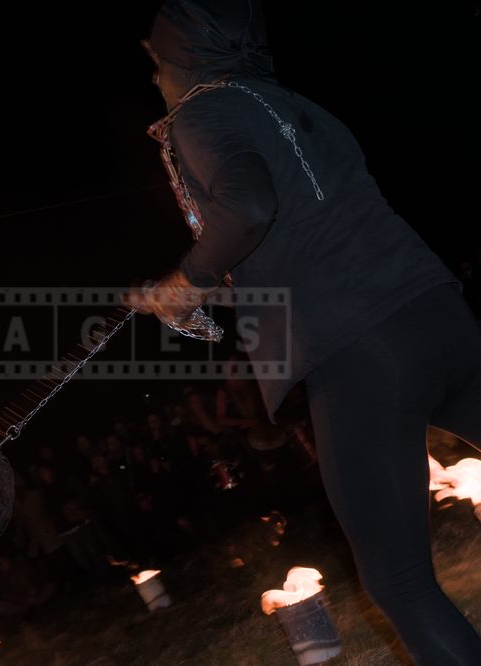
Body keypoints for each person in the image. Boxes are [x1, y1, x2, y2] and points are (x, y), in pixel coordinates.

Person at [123, 1, 481, 663]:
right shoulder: (294, 105)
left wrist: (186, 283)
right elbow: (301, 231)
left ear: (185, 59)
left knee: (399, 581)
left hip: (360, 352)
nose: (155, 77)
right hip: (436, 313)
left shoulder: (202, 111)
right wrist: (202, 286)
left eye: (158, 62)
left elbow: (249, 207)